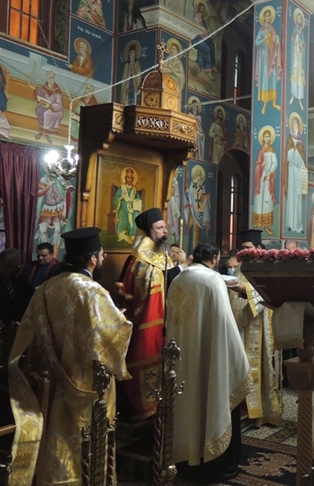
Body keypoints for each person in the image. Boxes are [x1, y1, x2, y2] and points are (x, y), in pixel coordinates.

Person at [9, 227, 132, 485]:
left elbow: (29, 330)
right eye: (101, 254)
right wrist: (120, 320)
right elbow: (109, 338)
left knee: (56, 437)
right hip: (86, 385)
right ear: (93, 259)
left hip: (52, 379)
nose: (103, 258)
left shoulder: (47, 287)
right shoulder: (92, 291)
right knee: (84, 441)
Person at [167, 242, 252, 483]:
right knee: (212, 398)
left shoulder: (178, 280)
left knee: (187, 407)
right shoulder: (213, 280)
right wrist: (239, 359)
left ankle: (186, 462)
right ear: (214, 259)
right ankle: (217, 465)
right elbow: (225, 325)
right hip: (208, 356)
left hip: (182, 358)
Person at [118, 208, 184, 419]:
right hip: (145, 321)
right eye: (159, 228)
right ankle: (144, 408)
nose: (165, 232)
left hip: (165, 319)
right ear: (148, 231)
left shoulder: (160, 255)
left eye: (165, 227)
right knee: (145, 354)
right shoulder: (139, 258)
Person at [228, 229, 281, 426]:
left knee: (258, 368)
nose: (244, 252)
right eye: (242, 248)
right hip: (240, 324)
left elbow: (268, 292)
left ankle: (261, 413)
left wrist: (244, 290)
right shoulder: (240, 267)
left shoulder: (267, 266)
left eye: (248, 247)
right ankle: (243, 410)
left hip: (258, 325)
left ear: (258, 247)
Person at [254, 6, 282, 114]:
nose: (268, 17)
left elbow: (275, 41)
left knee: (273, 76)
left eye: (269, 16)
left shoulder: (272, 29)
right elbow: (257, 42)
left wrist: (277, 41)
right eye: (266, 16)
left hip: (271, 56)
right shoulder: (261, 30)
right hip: (264, 56)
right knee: (265, 78)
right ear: (264, 17)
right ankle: (264, 104)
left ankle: (274, 102)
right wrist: (264, 40)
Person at [283, 114, 306, 233]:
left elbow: (303, 157)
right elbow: (288, 154)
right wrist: (294, 150)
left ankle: (299, 226)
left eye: (297, 124)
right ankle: (291, 224)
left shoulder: (301, 139)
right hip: (292, 171)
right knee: (292, 196)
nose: (295, 125)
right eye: (294, 124)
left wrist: (299, 158)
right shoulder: (290, 138)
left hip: (299, 172)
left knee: (298, 197)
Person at [253, 127, 278, 235]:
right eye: (265, 136)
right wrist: (261, 165)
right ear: (263, 138)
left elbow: (275, 163)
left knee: (267, 200)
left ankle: (266, 225)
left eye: (268, 136)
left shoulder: (271, 150)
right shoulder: (261, 150)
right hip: (260, 177)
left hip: (268, 177)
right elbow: (258, 164)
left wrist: (269, 173)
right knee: (259, 199)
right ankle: (257, 223)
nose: (267, 138)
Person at [0, 248, 34, 322]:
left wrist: (19, 276)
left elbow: (31, 294)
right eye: (8, 266)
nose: (11, 269)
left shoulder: (16, 277)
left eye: (15, 266)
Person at [112, 166, 142, 244]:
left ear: (133, 179)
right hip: (123, 207)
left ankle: (132, 236)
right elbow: (115, 198)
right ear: (125, 178)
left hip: (133, 208)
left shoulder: (134, 189)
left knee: (136, 215)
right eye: (128, 177)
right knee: (121, 214)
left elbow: (139, 200)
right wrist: (120, 198)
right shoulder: (122, 188)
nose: (129, 179)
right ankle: (122, 236)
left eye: (130, 178)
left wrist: (139, 208)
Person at [33, 71, 64, 143]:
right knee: (38, 110)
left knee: (46, 114)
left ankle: (47, 134)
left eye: (52, 78)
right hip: (47, 106)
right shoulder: (45, 86)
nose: (51, 79)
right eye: (49, 78)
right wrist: (35, 89)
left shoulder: (57, 90)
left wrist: (50, 106)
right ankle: (42, 130)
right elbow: (40, 94)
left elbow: (60, 106)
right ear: (47, 78)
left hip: (56, 110)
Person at [288, 8, 306, 110]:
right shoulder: (294, 30)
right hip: (294, 56)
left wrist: (301, 45)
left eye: (300, 18)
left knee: (300, 76)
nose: (299, 20)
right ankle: (292, 95)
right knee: (294, 74)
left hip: (300, 57)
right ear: (296, 19)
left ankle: (299, 100)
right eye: (298, 18)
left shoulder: (302, 32)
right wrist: (296, 35)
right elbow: (291, 41)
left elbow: (304, 46)